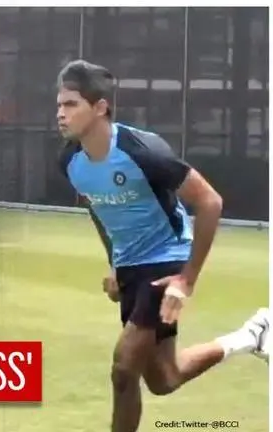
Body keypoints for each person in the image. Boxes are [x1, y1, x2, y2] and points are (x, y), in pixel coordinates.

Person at [55, 59, 269, 432]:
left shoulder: (143, 151)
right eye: (59, 104)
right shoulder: (69, 161)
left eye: (71, 104)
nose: (60, 113)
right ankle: (253, 334)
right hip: (131, 267)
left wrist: (186, 279)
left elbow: (210, 202)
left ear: (100, 107)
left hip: (166, 260)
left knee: (124, 368)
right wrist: (115, 264)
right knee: (164, 378)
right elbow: (97, 208)